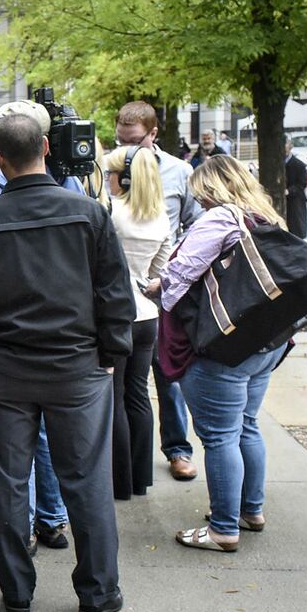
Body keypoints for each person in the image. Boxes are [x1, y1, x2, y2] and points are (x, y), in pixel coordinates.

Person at [0, 111, 134, 612]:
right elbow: (116, 293)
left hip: (6, 369)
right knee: (86, 481)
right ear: (47, 148)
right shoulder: (89, 214)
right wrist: (111, 355)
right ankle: (97, 593)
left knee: (7, 481)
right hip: (77, 367)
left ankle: (18, 592)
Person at [147, 155, 290, 552]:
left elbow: (182, 272)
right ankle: (251, 510)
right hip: (265, 342)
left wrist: (159, 290)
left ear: (210, 188)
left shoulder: (219, 218)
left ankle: (223, 529)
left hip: (224, 348)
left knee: (219, 436)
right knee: (246, 425)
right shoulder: (264, 216)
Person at [0, 100, 77, 555]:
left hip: (1, 346)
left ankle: (20, 529)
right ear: (47, 145)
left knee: (9, 446)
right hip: (62, 345)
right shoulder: (77, 194)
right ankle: (52, 519)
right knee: (44, 435)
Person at [115, 100, 202, 483]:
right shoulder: (111, 167)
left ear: (153, 134)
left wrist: (170, 278)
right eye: (122, 140)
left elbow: (197, 231)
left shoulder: (181, 172)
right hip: (130, 295)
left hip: (165, 290)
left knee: (167, 378)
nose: (128, 148)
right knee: (131, 388)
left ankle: (177, 449)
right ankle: (129, 466)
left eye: (134, 141)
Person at [101, 144, 173, 499]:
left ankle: (119, 482)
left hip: (116, 315)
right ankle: (140, 478)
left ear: (125, 178)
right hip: (147, 316)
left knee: (114, 399)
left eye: (112, 174)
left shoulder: (112, 213)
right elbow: (159, 272)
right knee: (139, 396)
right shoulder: (161, 217)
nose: (109, 180)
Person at [284, 136, 307, 238]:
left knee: (296, 230)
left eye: (285, 144)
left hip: (295, 202)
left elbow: (302, 184)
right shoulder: (274, 164)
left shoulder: (299, 165)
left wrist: (289, 191)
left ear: (290, 146)